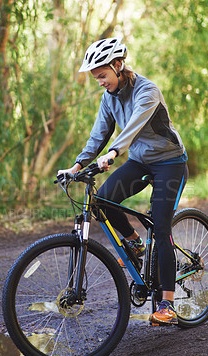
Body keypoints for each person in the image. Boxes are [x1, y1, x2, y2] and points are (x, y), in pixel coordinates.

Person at [58, 37, 188, 325]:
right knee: (102, 200)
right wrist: (77, 165)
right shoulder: (108, 99)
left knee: (162, 226)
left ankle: (167, 303)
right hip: (140, 162)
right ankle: (134, 243)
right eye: (96, 78)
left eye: (102, 75)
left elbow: (133, 126)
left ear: (118, 66)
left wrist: (114, 152)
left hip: (170, 163)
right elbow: (98, 135)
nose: (100, 82)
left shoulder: (147, 90)